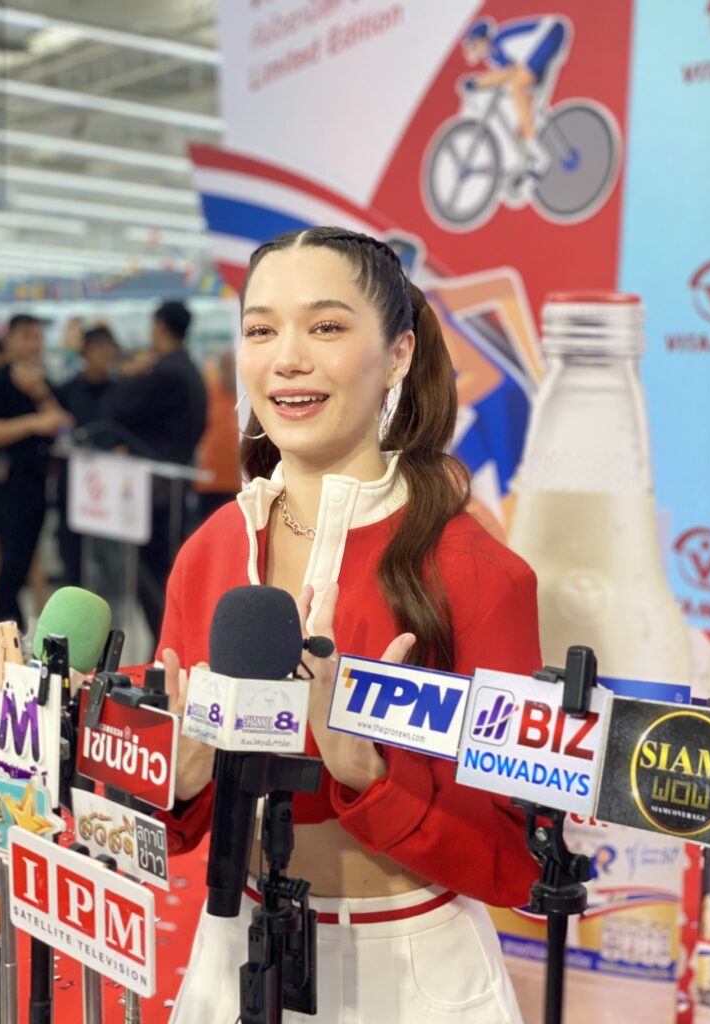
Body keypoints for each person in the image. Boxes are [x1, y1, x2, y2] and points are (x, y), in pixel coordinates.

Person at [157, 227, 542, 1023]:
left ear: (398, 354)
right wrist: (176, 780)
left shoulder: (480, 575)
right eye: (261, 330)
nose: (287, 359)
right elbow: (163, 831)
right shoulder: (209, 552)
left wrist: (372, 777)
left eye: (326, 326)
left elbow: (516, 863)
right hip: (230, 951)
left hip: (413, 973)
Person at [110, 300, 206, 646]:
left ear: (160, 327)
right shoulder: (190, 369)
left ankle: (165, 641)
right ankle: (166, 640)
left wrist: (132, 374)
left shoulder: (165, 372)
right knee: (165, 566)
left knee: (149, 571)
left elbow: (120, 410)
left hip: (154, 490)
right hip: (175, 484)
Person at [0, 314, 73, 628]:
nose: (33, 345)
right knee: (11, 562)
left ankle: (9, 628)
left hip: (39, 484)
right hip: (5, 485)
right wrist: (34, 424)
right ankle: (2, 626)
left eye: (38, 337)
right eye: (27, 337)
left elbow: (66, 426)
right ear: (10, 340)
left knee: (25, 559)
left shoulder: (46, 384)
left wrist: (40, 393)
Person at [462, 15, 569, 176]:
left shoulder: (495, 44)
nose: (469, 51)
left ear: (481, 41)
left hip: (549, 34)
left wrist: (477, 83)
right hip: (547, 38)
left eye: (472, 45)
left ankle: (541, 157)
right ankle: (533, 158)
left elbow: (509, 72)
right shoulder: (494, 53)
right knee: (524, 117)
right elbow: (510, 72)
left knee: (517, 89)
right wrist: (481, 83)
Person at [55, 326, 121, 586]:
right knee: (72, 558)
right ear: (85, 352)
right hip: (73, 488)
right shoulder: (66, 391)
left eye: (109, 349)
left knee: (111, 562)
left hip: (111, 489)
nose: (105, 355)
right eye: (99, 349)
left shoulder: (121, 391)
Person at [190, 349, 242, 528]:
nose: (230, 373)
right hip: (209, 480)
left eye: (234, 368)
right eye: (226, 368)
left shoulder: (250, 397)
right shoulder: (207, 393)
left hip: (240, 482)